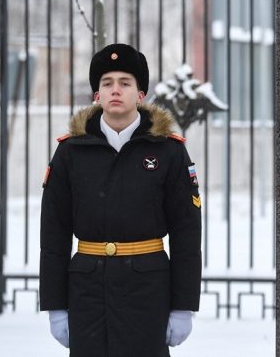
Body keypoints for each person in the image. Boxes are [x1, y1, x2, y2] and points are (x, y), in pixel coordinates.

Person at [40, 43, 202, 356]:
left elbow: (186, 231)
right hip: (86, 292)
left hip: (148, 290)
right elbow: (53, 233)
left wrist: (183, 306)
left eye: (125, 83)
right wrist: (55, 306)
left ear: (141, 94)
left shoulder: (167, 151)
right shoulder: (71, 152)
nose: (116, 90)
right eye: (107, 83)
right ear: (96, 95)